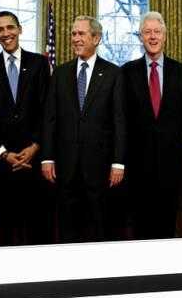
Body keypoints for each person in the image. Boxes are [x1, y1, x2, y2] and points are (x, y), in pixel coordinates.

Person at [41, 16, 126, 243]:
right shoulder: (60, 73)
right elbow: (50, 118)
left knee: (101, 227)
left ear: (96, 38)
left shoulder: (113, 74)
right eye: (73, 34)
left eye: (81, 34)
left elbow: (119, 121)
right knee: (69, 228)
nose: (76, 39)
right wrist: (47, 157)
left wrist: (118, 162)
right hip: (66, 167)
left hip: (100, 168)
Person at [0, 11, 54, 246]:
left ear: (19, 29)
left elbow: (47, 110)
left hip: (34, 162)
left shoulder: (39, 63)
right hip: (2, 167)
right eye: (0, 29)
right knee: (2, 233)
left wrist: (34, 145)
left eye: (10, 27)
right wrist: (3, 153)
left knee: (38, 232)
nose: (6, 33)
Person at [122, 11, 182, 240]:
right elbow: (122, 117)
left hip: (170, 166)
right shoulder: (127, 72)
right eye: (147, 32)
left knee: (167, 226)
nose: (152, 37)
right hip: (138, 167)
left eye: (157, 31)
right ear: (140, 37)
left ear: (164, 35)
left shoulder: (181, 72)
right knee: (141, 227)